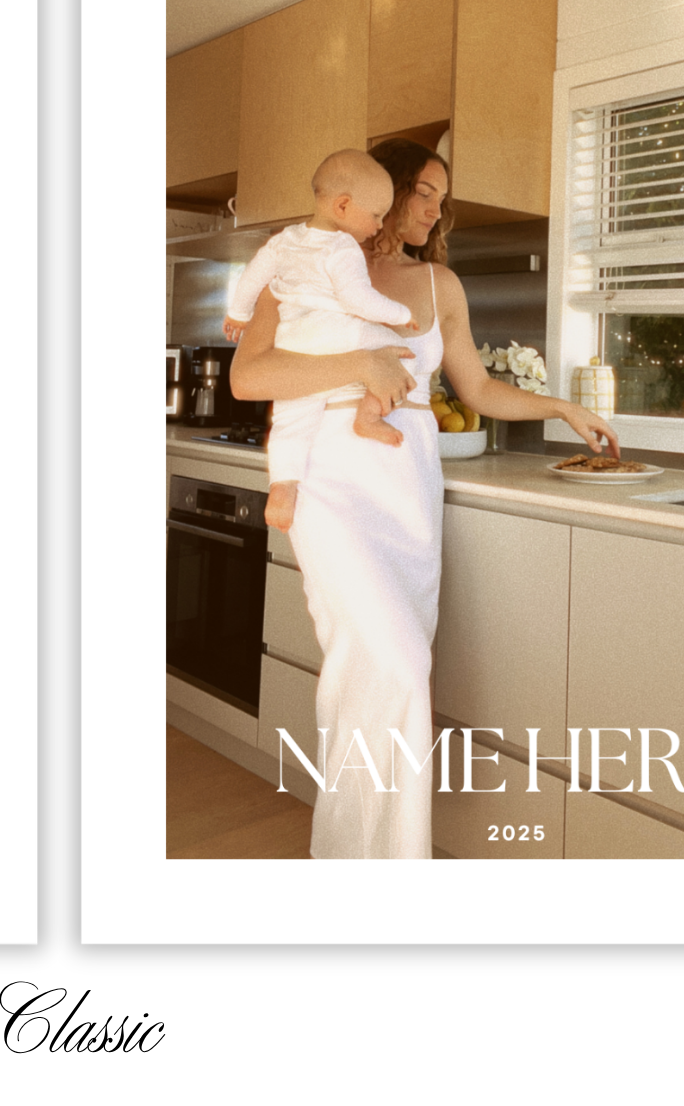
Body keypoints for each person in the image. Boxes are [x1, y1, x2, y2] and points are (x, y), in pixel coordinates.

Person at [228, 139, 619, 859]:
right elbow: (248, 378)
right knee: (397, 667)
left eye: (444, 198)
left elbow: (477, 390)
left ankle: (355, 863)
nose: (436, 210)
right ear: (386, 190)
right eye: (425, 192)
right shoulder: (307, 260)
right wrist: (358, 363)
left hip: (408, 496)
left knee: (371, 679)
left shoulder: (441, 284)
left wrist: (564, 408)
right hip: (330, 480)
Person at [219, 149, 424, 532]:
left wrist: (238, 314)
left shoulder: (284, 241)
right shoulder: (342, 247)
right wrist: (401, 316)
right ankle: (368, 415)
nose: (379, 225)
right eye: (377, 214)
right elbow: (358, 300)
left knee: (292, 415)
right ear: (343, 206)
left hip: (293, 338)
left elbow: (251, 277)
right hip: (336, 332)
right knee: (404, 353)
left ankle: (282, 487)